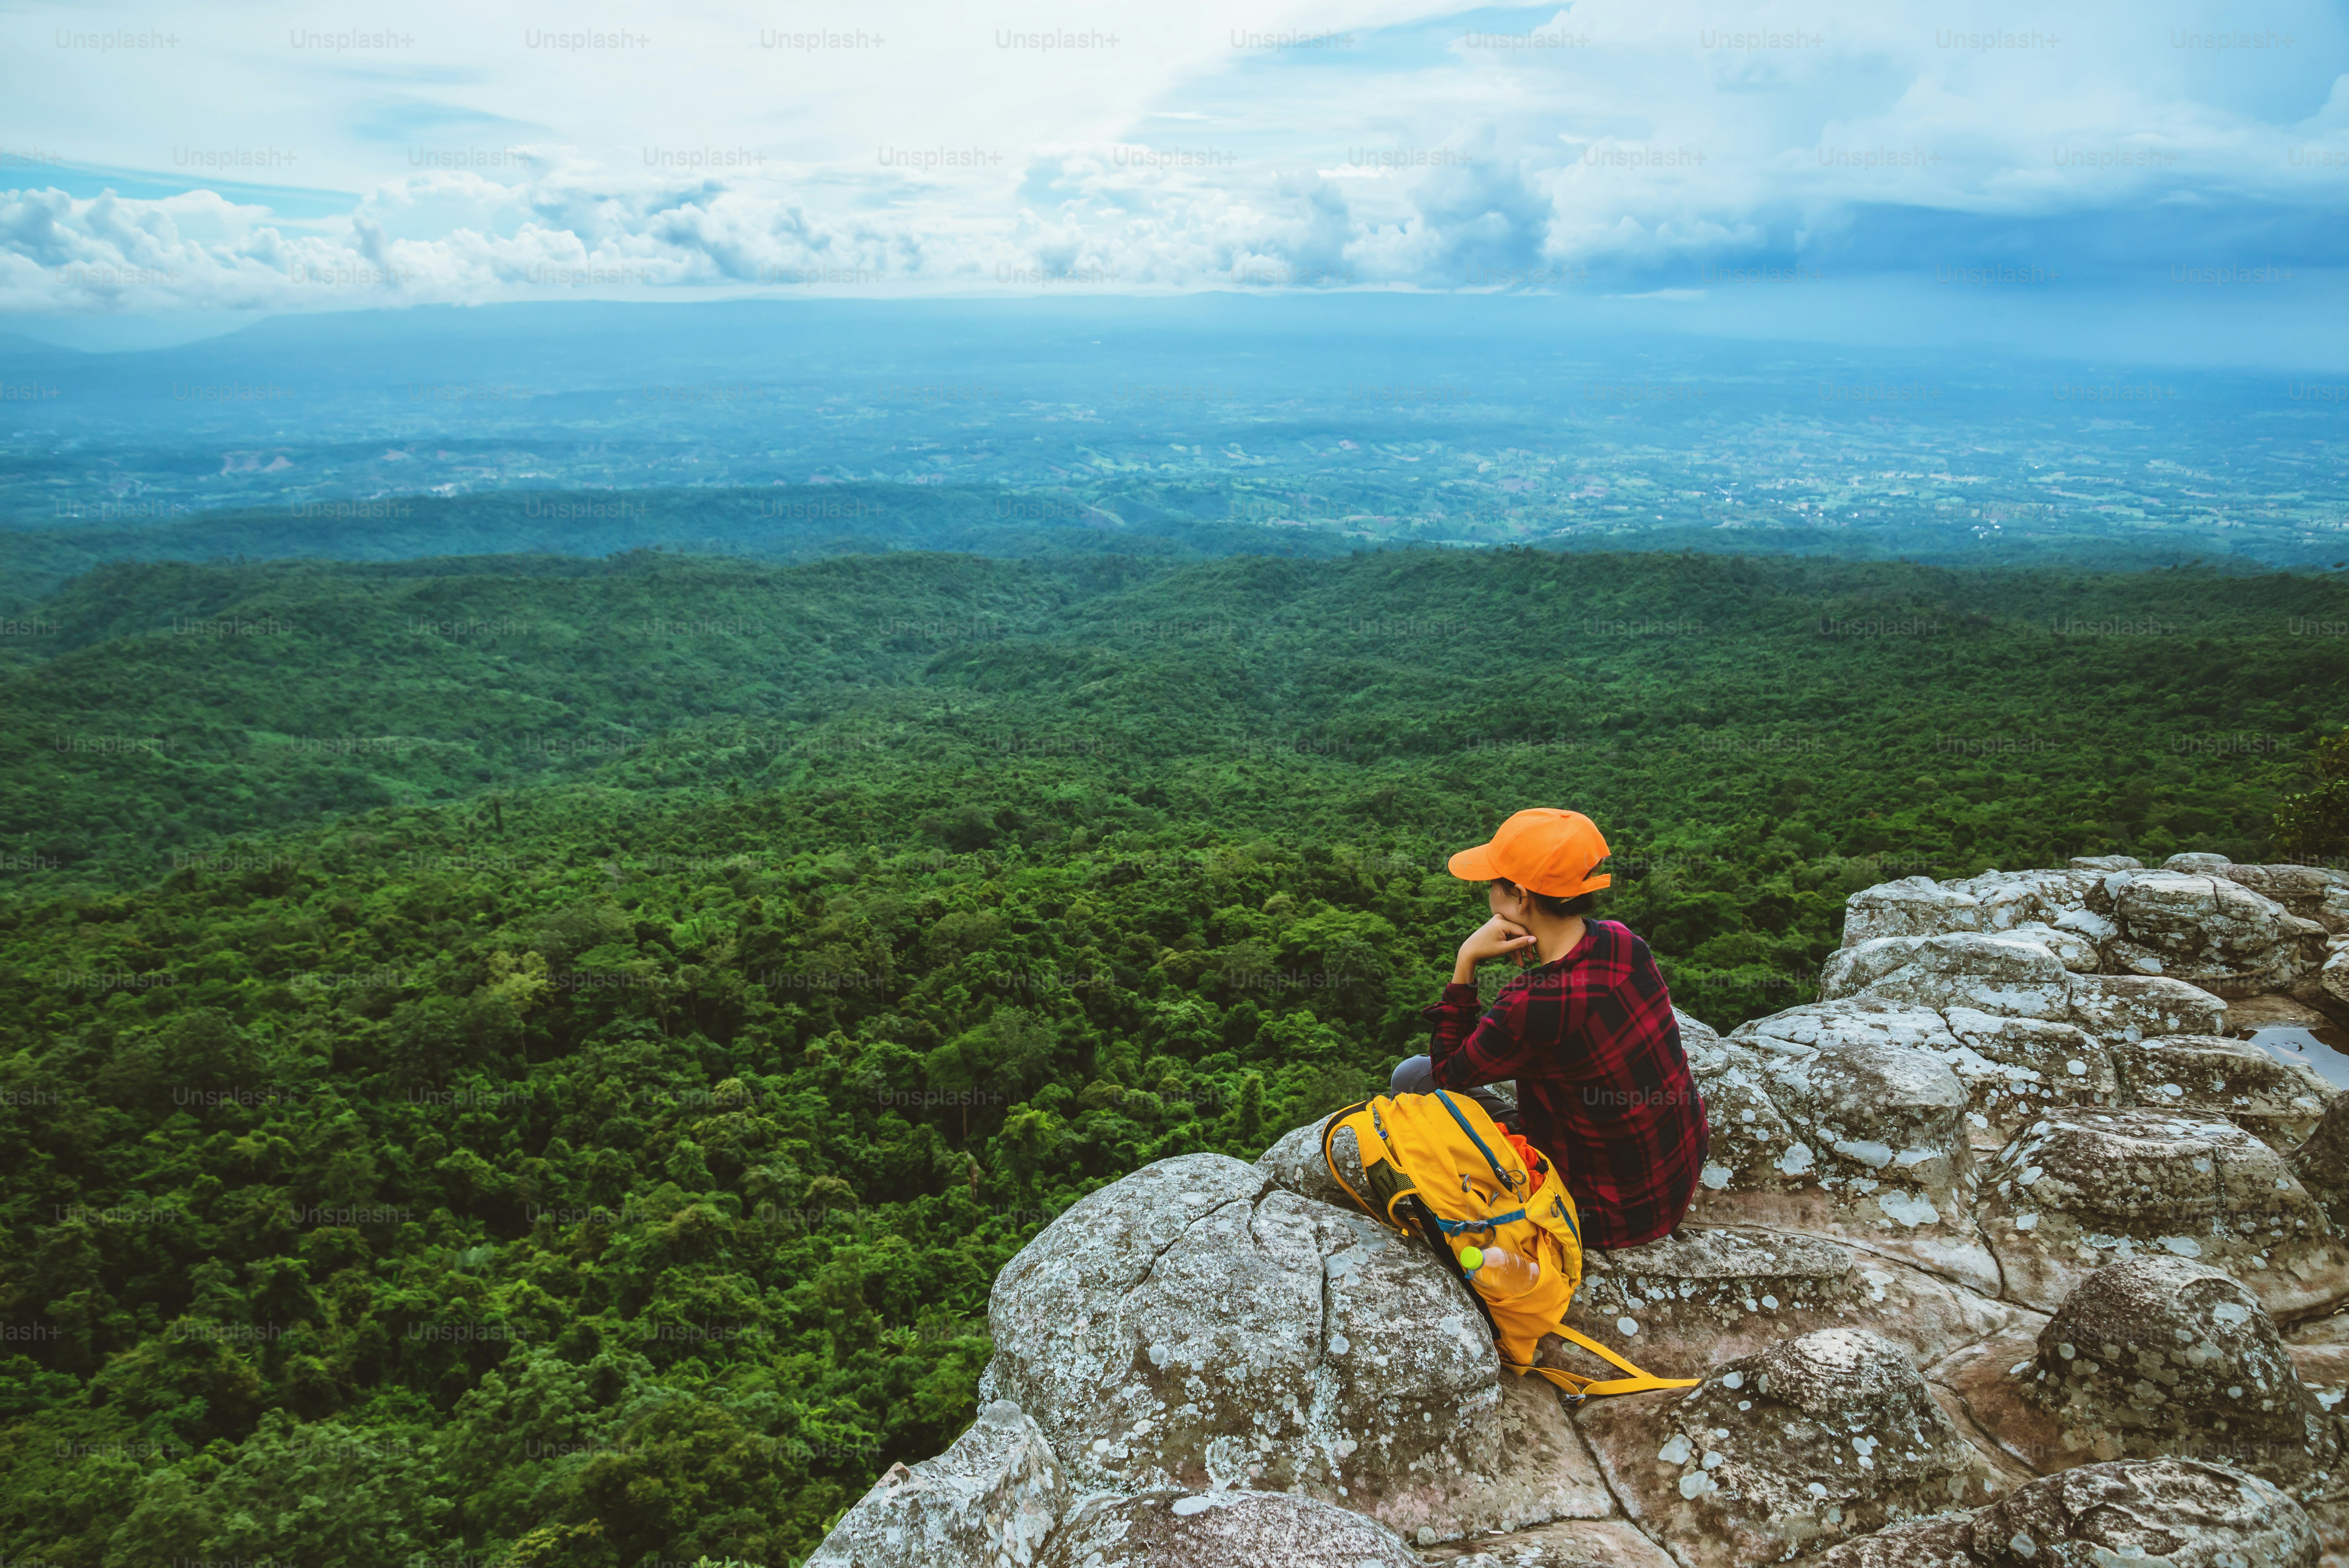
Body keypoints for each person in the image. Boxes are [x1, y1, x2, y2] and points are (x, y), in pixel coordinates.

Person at [1390, 807, 1708, 1251]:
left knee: (1411, 1077)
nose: (1487, 891)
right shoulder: (1623, 941)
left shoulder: (1530, 1005)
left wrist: (1466, 962)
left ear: (1520, 896)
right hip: (1672, 1183)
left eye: (1492, 882)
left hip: (1600, 1216)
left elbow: (1447, 1073)